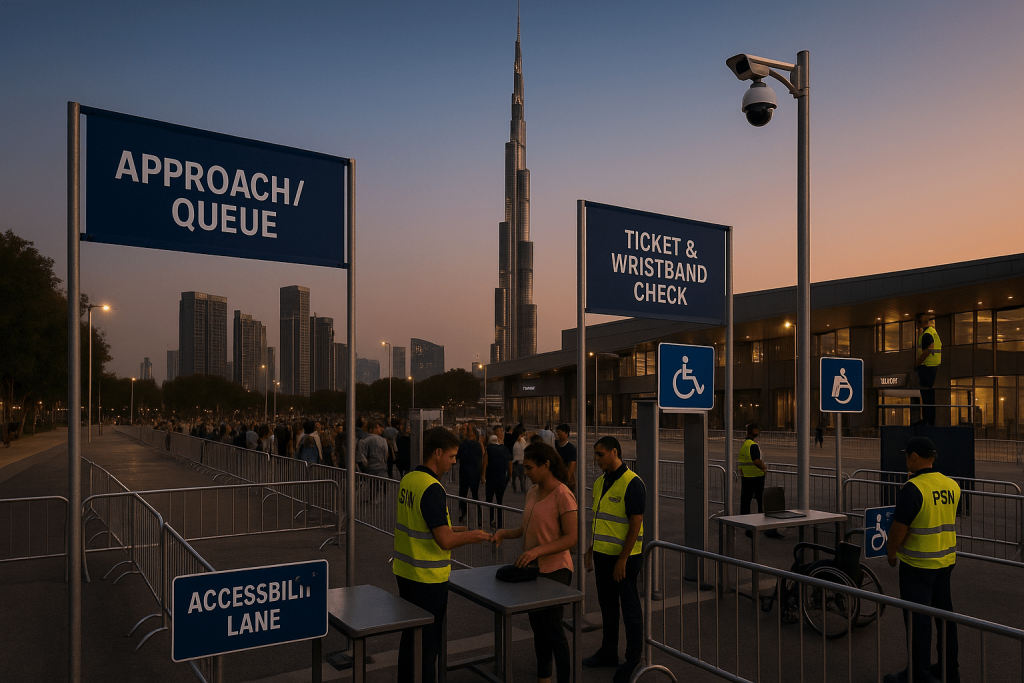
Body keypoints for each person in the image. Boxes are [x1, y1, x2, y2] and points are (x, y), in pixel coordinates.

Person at [394, 427, 492, 683]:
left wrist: (459, 528)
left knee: (410, 639)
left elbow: (426, 523)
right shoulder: (432, 488)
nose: (454, 461)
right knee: (428, 647)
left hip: (406, 573)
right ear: (437, 453)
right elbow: (444, 539)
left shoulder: (409, 479)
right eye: (451, 456)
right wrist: (476, 535)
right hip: (428, 579)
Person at [493, 443, 578, 683]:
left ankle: (564, 678)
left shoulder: (563, 495)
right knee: (538, 629)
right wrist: (504, 533)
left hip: (555, 570)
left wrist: (538, 550)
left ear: (546, 465)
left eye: (529, 467)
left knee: (553, 630)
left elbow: (571, 538)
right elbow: (526, 528)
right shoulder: (533, 491)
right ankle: (544, 678)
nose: (525, 471)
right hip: (533, 569)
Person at [884, 437, 961, 683]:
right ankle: (950, 671)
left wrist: (891, 552)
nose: (906, 459)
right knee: (945, 618)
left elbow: (899, 529)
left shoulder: (913, 488)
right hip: (945, 562)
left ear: (915, 457)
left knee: (919, 622)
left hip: (917, 566)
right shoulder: (952, 485)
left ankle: (919, 674)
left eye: (907, 456)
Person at [583, 436, 645, 683]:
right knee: (608, 607)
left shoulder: (633, 483)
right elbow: (601, 520)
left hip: (625, 559)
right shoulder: (600, 482)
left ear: (614, 452)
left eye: (600, 454)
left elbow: (635, 525)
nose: (595, 459)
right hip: (602, 556)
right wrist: (591, 548)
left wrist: (622, 560)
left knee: (630, 608)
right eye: (595, 455)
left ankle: (632, 660)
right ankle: (608, 652)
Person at [736, 421, 783, 539]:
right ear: (754, 431)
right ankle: (765, 527)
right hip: (756, 477)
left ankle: (747, 525)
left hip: (746, 476)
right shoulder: (753, 445)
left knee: (746, 501)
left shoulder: (745, 444)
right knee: (762, 502)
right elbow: (756, 461)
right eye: (757, 429)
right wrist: (764, 468)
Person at [914, 313, 942, 426]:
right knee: (928, 393)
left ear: (920, 321)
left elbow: (927, 351)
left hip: (927, 367)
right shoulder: (932, 331)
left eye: (917, 321)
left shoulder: (927, 334)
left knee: (926, 394)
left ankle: (927, 420)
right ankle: (929, 420)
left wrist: (916, 364)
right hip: (932, 366)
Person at [482, 434, 513, 529]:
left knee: (490, 501)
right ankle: (500, 523)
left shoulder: (489, 448)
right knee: (500, 501)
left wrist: (483, 475)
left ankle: (492, 520)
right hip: (501, 478)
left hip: (491, 478)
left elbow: (485, 462)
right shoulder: (504, 448)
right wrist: (510, 475)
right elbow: (510, 462)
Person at [456, 426, 484, 526]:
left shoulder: (463, 444)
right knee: (475, 495)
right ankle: (479, 516)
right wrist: (481, 474)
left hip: (464, 471)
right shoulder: (477, 445)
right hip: (474, 472)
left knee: (463, 494)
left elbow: (458, 457)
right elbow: (480, 458)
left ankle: (463, 513)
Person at [511, 426, 528, 493]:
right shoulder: (515, 443)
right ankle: (516, 488)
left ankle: (522, 489)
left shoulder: (522, 441)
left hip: (521, 461)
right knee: (516, 477)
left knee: (522, 477)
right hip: (516, 462)